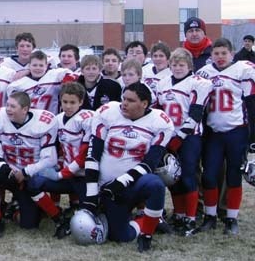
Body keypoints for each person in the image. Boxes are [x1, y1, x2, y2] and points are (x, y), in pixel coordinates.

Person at [82, 83, 173, 252]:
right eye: (124, 98)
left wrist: (121, 182)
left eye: (130, 100)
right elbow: (93, 155)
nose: (124, 103)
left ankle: (147, 233)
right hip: (108, 187)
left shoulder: (160, 121)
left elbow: (149, 163)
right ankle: (142, 220)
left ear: (144, 104)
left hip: (134, 185)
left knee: (155, 184)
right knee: (120, 236)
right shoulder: (107, 112)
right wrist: (92, 193)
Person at [194, 38, 255, 235]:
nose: (219, 57)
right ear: (211, 55)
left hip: (237, 131)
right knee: (209, 175)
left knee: (234, 176)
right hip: (214, 133)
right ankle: (210, 216)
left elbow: (251, 102)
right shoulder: (205, 73)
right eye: (216, 53)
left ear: (231, 53)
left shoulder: (243, 69)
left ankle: (231, 219)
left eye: (223, 53)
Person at [0, 92, 65, 238]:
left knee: (29, 224)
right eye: (7, 105)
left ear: (25, 109)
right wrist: (6, 169)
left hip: (29, 177)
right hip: (9, 172)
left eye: (13, 106)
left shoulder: (44, 122)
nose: (8, 109)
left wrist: (26, 172)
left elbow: (50, 159)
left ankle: (14, 210)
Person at [154, 48, 212, 235]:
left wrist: (179, 137)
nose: (178, 68)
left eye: (182, 65)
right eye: (174, 64)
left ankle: (191, 218)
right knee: (172, 178)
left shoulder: (198, 83)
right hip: (170, 136)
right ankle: (179, 215)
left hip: (190, 136)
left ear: (189, 66)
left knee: (188, 176)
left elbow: (195, 114)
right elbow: (158, 112)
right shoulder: (162, 83)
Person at [27, 82, 93, 223]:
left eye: (72, 102)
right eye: (65, 102)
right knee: (34, 183)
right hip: (68, 175)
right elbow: (56, 149)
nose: (68, 106)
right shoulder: (57, 119)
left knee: (86, 218)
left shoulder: (87, 119)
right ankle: (57, 215)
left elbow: (85, 154)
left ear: (81, 102)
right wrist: (56, 166)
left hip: (85, 177)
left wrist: (60, 174)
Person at [6, 50, 77, 115]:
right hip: (31, 120)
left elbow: (72, 75)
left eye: (41, 65)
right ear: (29, 66)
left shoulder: (54, 75)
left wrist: (66, 83)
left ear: (46, 66)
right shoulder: (20, 84)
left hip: (52, 119)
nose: (38, 68)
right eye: (34, 65)